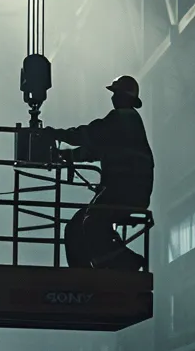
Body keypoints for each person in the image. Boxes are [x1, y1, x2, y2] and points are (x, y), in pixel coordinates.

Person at [53, 75, 155, 271]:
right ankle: (81, 275)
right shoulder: (125, 125)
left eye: (115, 93)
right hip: (125, 190)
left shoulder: (122, 119)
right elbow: (95, 150)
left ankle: (125, 262)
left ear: (123, 96)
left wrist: (55, 134)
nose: (112, 98)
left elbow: (88, 135)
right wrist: (65, 155)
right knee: (76, 226)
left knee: (91, 222)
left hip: (126, 190)